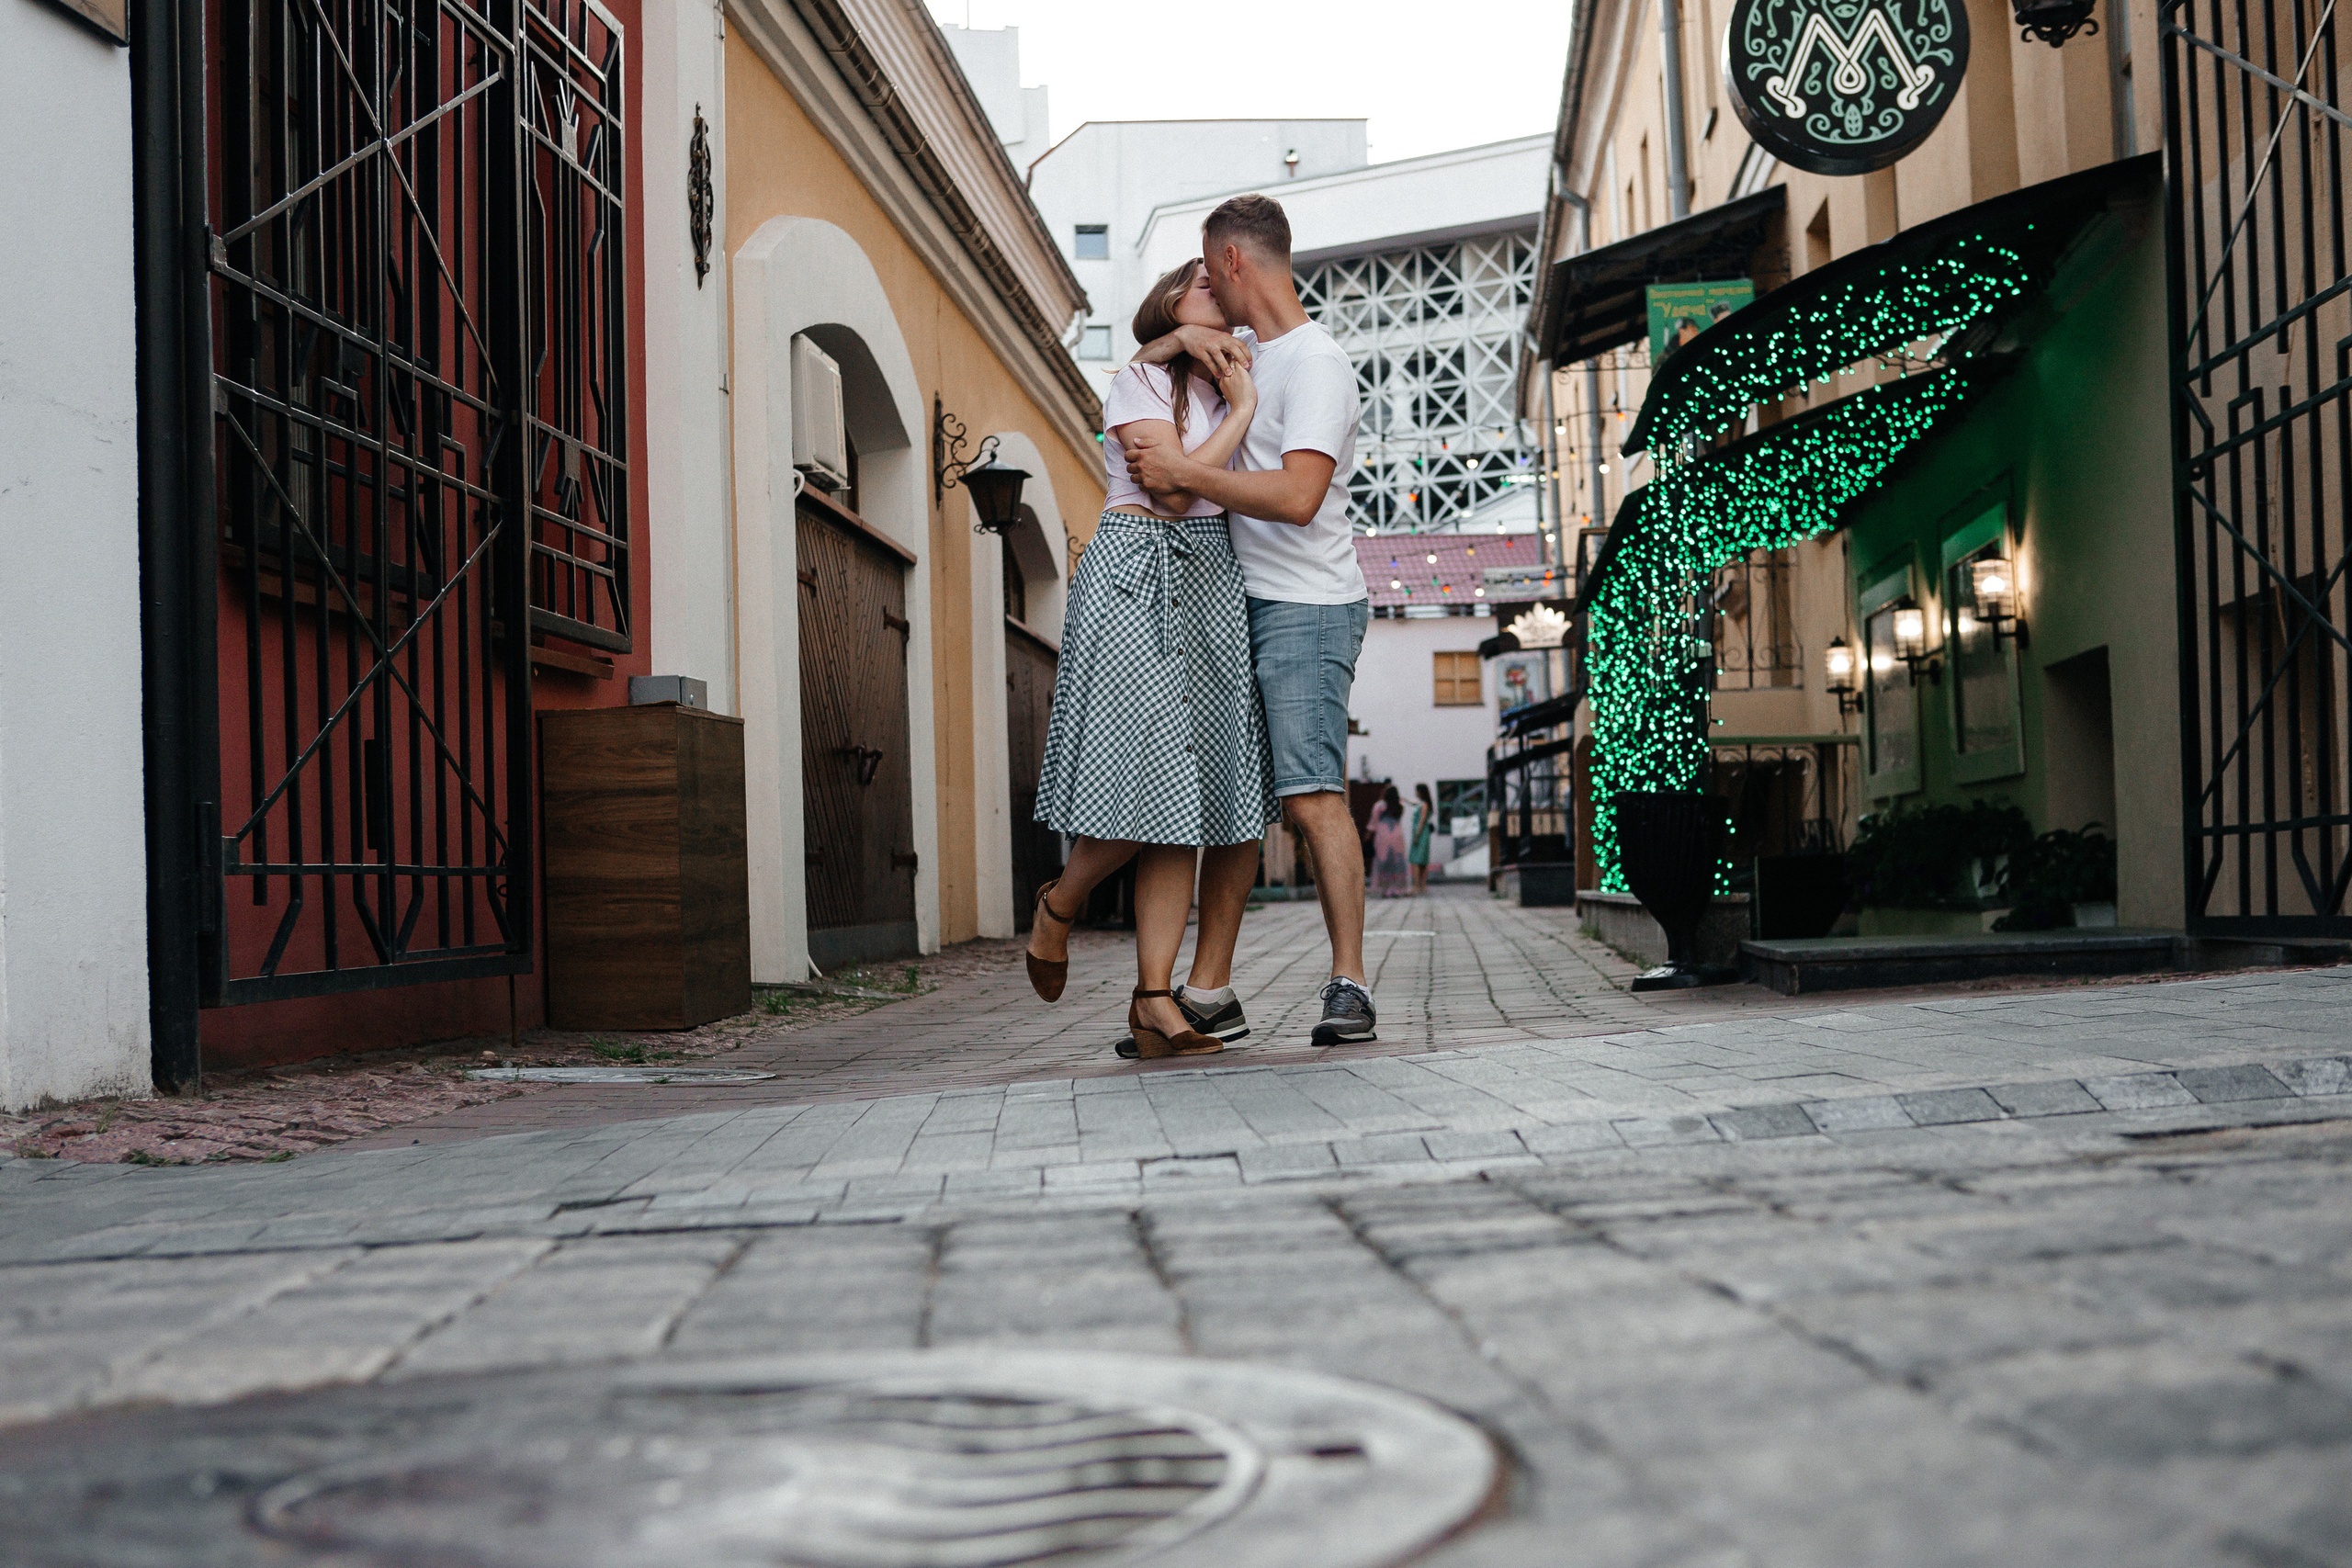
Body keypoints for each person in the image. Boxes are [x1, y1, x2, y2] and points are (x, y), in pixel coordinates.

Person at [1125, 194, 1377, 1047]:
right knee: (1237, 809)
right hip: (1241, 604)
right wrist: (1176, 339)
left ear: (1233, 261)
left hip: (1306, 606)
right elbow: (1146, 355)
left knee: (1311, 799)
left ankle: (1351, 984)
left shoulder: (1316, 363)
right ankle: (1212, 992)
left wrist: (1183, 475)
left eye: (1207, 269)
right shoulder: (1249, 356)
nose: (1206, 287)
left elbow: (1299, 496)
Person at [1022, 258, 1274, 1059]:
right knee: (1143, 781)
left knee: (1185, 800)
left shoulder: (1220, 375)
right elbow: (1170, 492)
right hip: (1139, 570)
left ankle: (1154, 999)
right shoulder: (1137, 382)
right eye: (1206, 288)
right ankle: (1059, 903)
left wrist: (1223, 375)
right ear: (1171, 302)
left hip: (1209, 576)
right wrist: (1239, 408)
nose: (1223, 300)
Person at [1369, 785, 1411, 898]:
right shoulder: (1400, 805)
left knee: (1384, 861)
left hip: (1383, 834)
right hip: (1397, 834)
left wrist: (1368, 836)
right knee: (1397, 861)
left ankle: (1385, 889)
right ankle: (1396, 889)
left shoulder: (1379, 806)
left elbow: (1373, 823)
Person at [1408, 782, 1436, 896]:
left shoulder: (1423, 805)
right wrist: (1404, 799)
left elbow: (1422, 820)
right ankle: (1422, 886)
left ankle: (1417, 885)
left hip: (1421, 833)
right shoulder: (1423, 803)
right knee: (1422, 860)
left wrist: (1417, 835)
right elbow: (1413, 803)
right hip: (1423, 833)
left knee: (1417, 860)